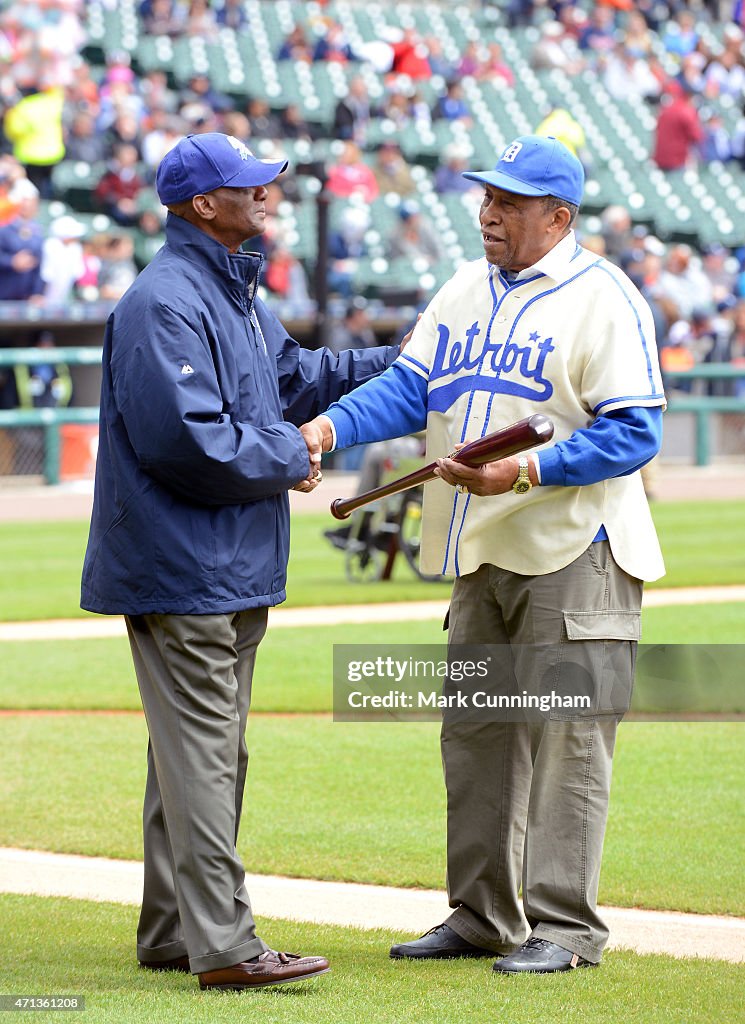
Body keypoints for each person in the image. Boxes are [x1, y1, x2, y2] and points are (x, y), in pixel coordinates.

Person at [300, 135, 666, 974]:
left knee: (567, 740)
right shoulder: (464, 288)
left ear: (558, 217)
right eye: (486, 197)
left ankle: (566, 929)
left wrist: (528, 467)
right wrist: (327, 426)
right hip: (479, 547)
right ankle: (480, 915)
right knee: (476, 738)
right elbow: (409, 386)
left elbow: (634, 430)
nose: (488, 213)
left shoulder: (603, 295)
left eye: (508, 201)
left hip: (577, 548)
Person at [80, 132, 400, 991]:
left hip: (225, 562)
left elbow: (300, 377)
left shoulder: (237, 295)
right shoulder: (163, 300)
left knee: (193, 757)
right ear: (198, 205)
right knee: (205, 757)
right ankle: (224, 946)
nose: (267, 193)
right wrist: (291, 455)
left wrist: (411, 361)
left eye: (266, 183)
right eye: (247, 185)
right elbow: (184, 441)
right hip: (183, 566)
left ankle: (173, 929)